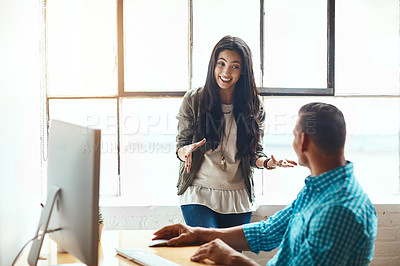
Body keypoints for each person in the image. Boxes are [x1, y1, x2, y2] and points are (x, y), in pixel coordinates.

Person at [156, 102, 378, 265]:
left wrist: (232, 258)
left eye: (294, 135)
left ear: (304, 142)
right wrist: (197, 233)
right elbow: (266, 232)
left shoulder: (338, 211)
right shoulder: (321, 188)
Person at [176, 35, 296, 229]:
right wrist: (185, 151)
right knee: (206, 252)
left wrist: (268, 162)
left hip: (238, 195)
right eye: (221, 63)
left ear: (243, 71)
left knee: (230, 257)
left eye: (235, 66)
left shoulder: (253, 105)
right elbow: (181, 145)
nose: (225, 72)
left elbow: (253, 152)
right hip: (198, 192)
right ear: (213, 65)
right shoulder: (194, 99)